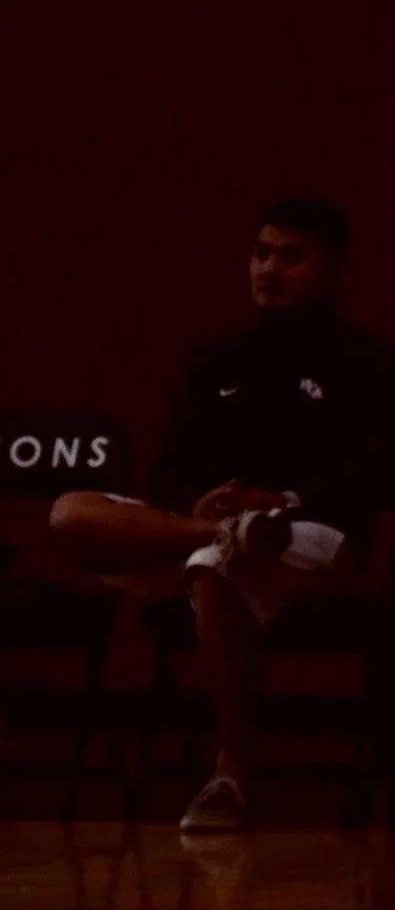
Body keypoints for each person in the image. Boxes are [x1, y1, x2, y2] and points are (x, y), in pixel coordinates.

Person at [48, 198, 395, 834]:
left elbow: (375, 476)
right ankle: (220, 532)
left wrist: (285, 501)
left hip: (315, 536)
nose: (270, 269)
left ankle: (232, 776)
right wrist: (202, 505)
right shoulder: (214, 362)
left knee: (213, 567)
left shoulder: (369, 365)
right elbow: (167, 468)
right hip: (205, 529)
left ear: (332, 270)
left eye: (292, 257)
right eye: (262, 253)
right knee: (71, 512)